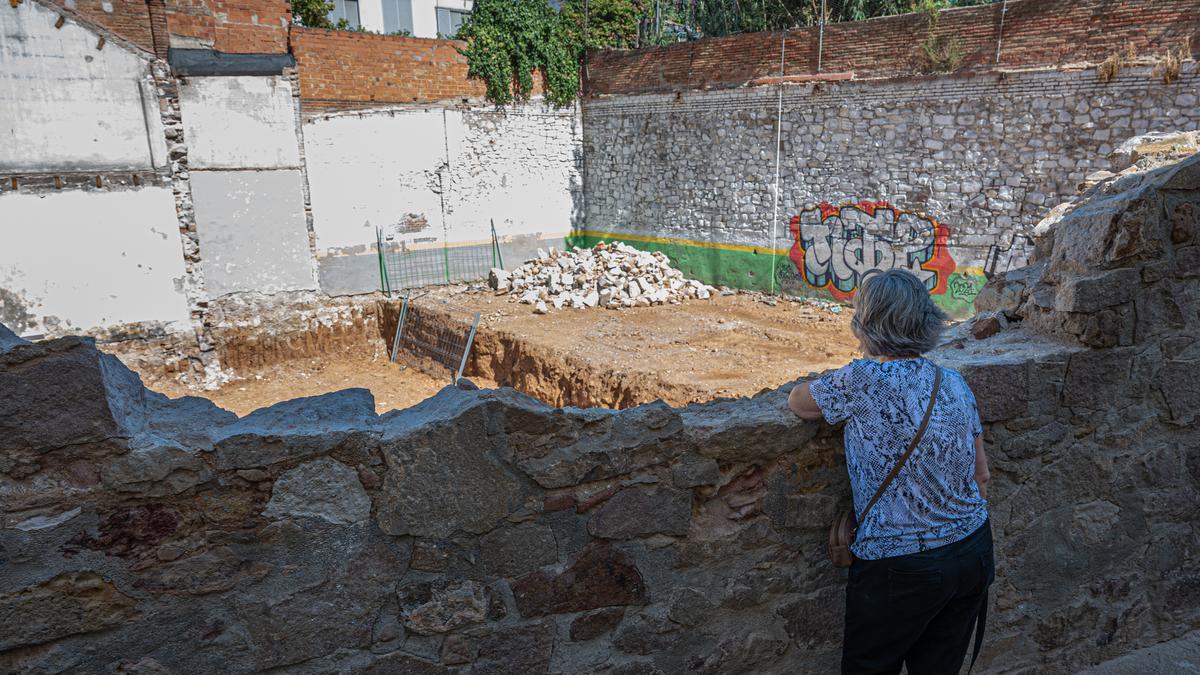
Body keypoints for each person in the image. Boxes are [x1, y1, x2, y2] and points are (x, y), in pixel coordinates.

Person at [788, 268, 994, 675]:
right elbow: (981, 477)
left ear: (865, 322)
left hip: (898, 566)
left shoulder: (860, 380)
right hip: (972, 550)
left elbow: (799, 403)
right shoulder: (952, 382)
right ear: (926, 319)